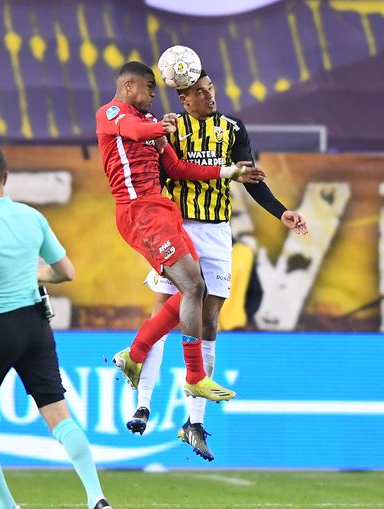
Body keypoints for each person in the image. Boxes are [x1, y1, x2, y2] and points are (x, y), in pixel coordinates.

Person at [125, 70, 309, 462]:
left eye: (210, 89)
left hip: (217, 232)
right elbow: (157, 174)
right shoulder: (171, 129)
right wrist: (157, 138)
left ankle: (193, 422)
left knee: (208, 321)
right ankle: (142, 403)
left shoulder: (233, 128)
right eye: (199, 91)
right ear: (184, 99)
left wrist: (281, 212)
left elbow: (251, 178)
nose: (209, 96)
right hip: (177, 228)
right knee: (163, 311)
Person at [0, 144, 112, 509]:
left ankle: (6, 505)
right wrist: (29, 273)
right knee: (58, 416)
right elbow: (65, 272)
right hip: (36, 325)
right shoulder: (31, 216)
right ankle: (96, 496)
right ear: (5, 178)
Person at [95, 61, 264, 403]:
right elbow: (135, 131)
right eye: (149, 88)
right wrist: (161, 127)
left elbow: (176, 167)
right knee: (193, 287)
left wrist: (227, 173)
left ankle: (135, 354)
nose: (153, 95)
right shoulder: (112, 114)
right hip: (138, 211)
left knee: (197, 288)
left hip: (161, 209)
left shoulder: (148, 121)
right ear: (128, 87)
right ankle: (194, 376)